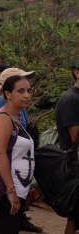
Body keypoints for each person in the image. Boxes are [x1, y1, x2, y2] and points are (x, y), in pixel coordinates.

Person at [0, 75, 35, 233]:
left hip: (16, 189)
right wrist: (11, 190)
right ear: (8, 94)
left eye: (29, 91)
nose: (27, 95)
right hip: (4, 191)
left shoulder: (16, 118)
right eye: (21, 91)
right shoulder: (4, 118)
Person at [55, 57, 79, 234]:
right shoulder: (71, 99)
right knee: (75, 214)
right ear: (76, 72)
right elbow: (75, 137)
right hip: (74, 165)